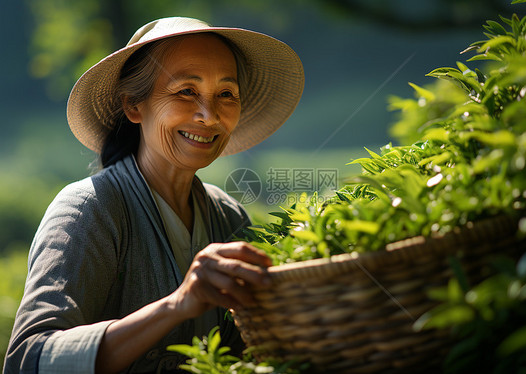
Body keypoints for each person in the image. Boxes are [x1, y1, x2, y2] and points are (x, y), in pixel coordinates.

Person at [4, 17, 304, 374]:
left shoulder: (229, 217)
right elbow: (28, 359)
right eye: (186, 91)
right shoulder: (91, 209)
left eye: (225, 94)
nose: (209, 116)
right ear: (134, 105)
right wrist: (178, 304)